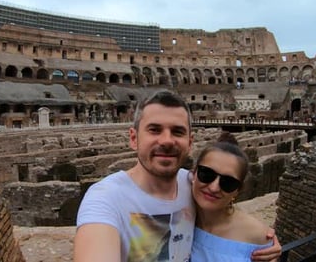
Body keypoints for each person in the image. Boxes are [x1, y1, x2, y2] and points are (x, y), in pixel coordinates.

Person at [74, 91, 281, 261]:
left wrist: (263, 242)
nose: (166, 140)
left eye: (177, 132)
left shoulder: (195, 183)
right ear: (134, 138)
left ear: (190, 143)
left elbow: (224, 210)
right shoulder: (105, 198)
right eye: (154, 130)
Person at [191, 132, 276, 261]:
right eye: (206, 174)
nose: (214, 187)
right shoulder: (176, 213)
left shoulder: (257, 236)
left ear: (237, 191)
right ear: (193, 174)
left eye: (228, 183)